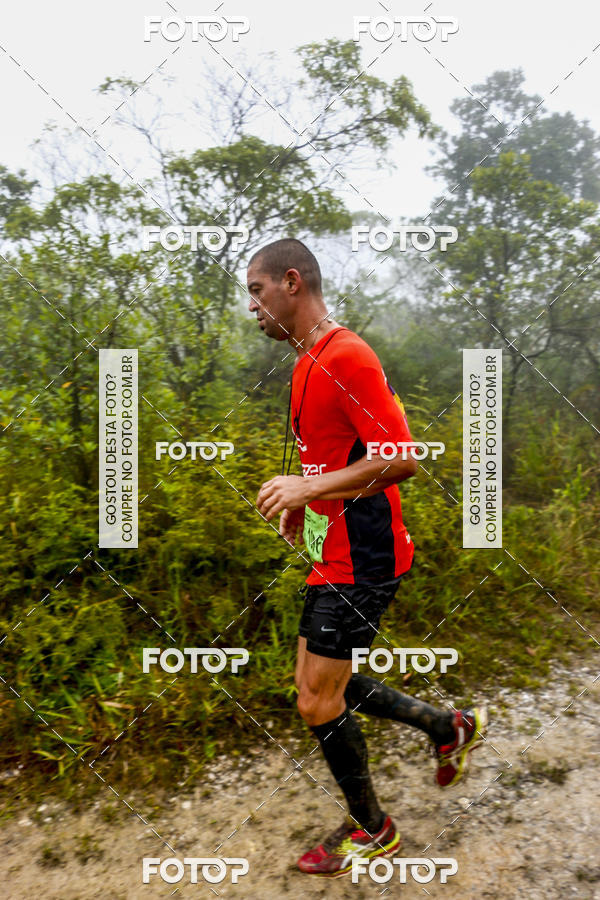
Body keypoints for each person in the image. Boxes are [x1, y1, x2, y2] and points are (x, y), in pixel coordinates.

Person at [250, 238, 487, 878]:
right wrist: (305, 498)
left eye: (257, 291)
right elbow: (330, 456)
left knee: (315, 698)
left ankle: (373, 830)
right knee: (316, 686)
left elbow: (401, 455)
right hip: (334, 550)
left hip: (366, 556)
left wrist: (306, 488)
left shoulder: (348, 355)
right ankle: (447, 725)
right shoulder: (306, 362)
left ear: (291, 283)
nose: (253, 306)